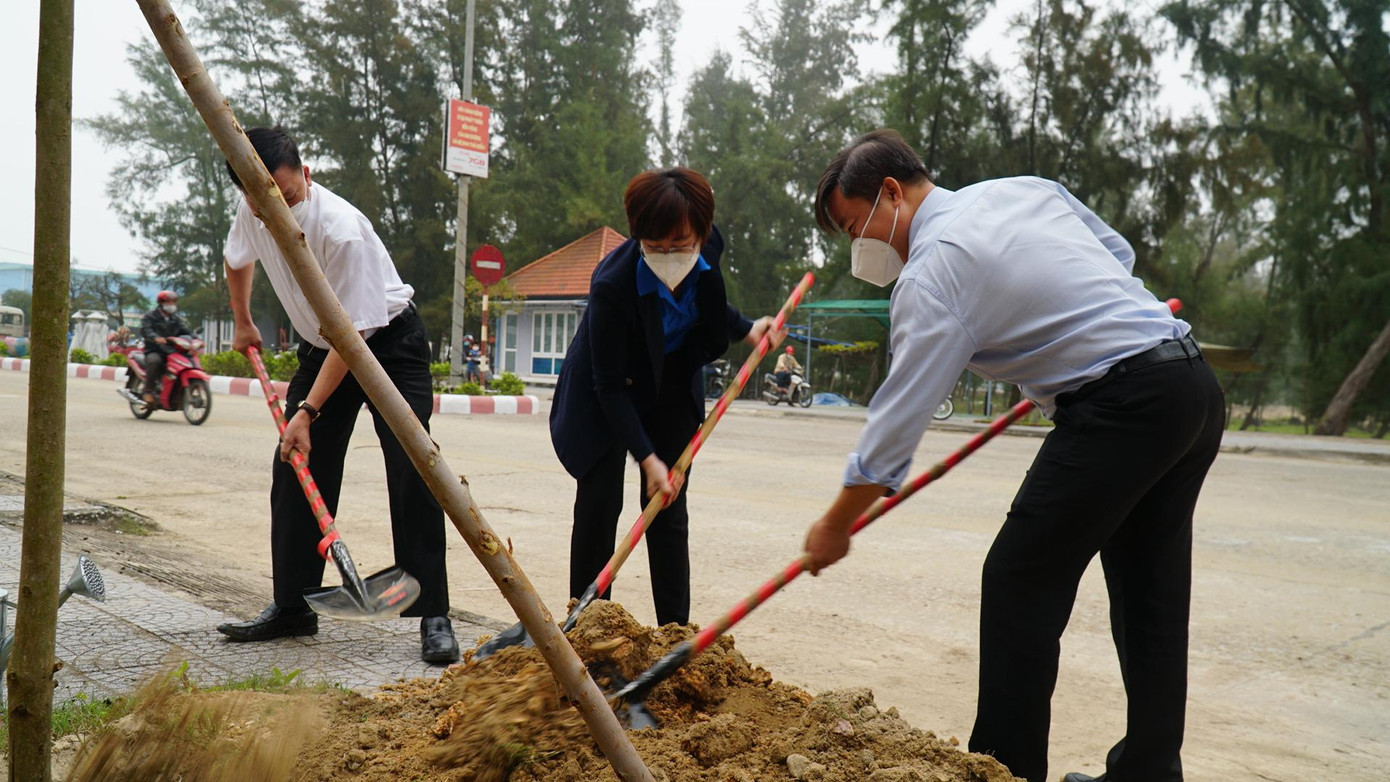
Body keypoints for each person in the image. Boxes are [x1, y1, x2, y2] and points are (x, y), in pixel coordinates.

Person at [801, 130, 1224, 782]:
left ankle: (1004, 772)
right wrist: (1070, 335)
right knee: (1151, 589)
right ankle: (1149, 772)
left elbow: (897, 419)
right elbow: (1116, 253)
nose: (861, 248)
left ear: (890, 192)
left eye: (857, 227)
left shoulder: (933, 270)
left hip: (1125, 406)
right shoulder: (1022, 191)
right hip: (1190, 386)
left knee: (1018, 582)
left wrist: (836, 523)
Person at [215, 126, 458, 664]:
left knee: (412, 466)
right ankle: (293, 606)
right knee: (296, 465)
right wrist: (243, 320)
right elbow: (236, 259)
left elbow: (353, 338)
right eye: (260, 200)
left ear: (306, 174)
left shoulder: (341, 230)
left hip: (385, 343)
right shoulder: (253, 206)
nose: (274, 210)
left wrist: (307, 409)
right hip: (322, 347)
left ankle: (433, 612)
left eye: (285, 195)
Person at [550, 167, 778, 627]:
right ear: (638, 235)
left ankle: (674, 634)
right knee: (599, 507)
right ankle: (588, 630)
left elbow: (706, 301)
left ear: (702, 233)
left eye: (680, 244)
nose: (669, 256)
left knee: (669, 511)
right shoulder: (612, 285)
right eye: (654, 245)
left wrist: (747, 329)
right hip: (604, 393)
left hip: (670, 384)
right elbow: (609, 387)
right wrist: (646, 457)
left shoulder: (707, 247)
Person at [139, 291, 193, 404]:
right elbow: (146, 330)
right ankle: (148, 390)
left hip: (171, 350)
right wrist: (155, 337)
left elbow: (185, 331)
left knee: (186, 360)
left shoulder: (175, 319)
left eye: (173, 302)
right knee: (155, 361)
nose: (171, 304)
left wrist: (196, 339)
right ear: (161, 303)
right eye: (168, 302)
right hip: (154, 349)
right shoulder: (150, 316)